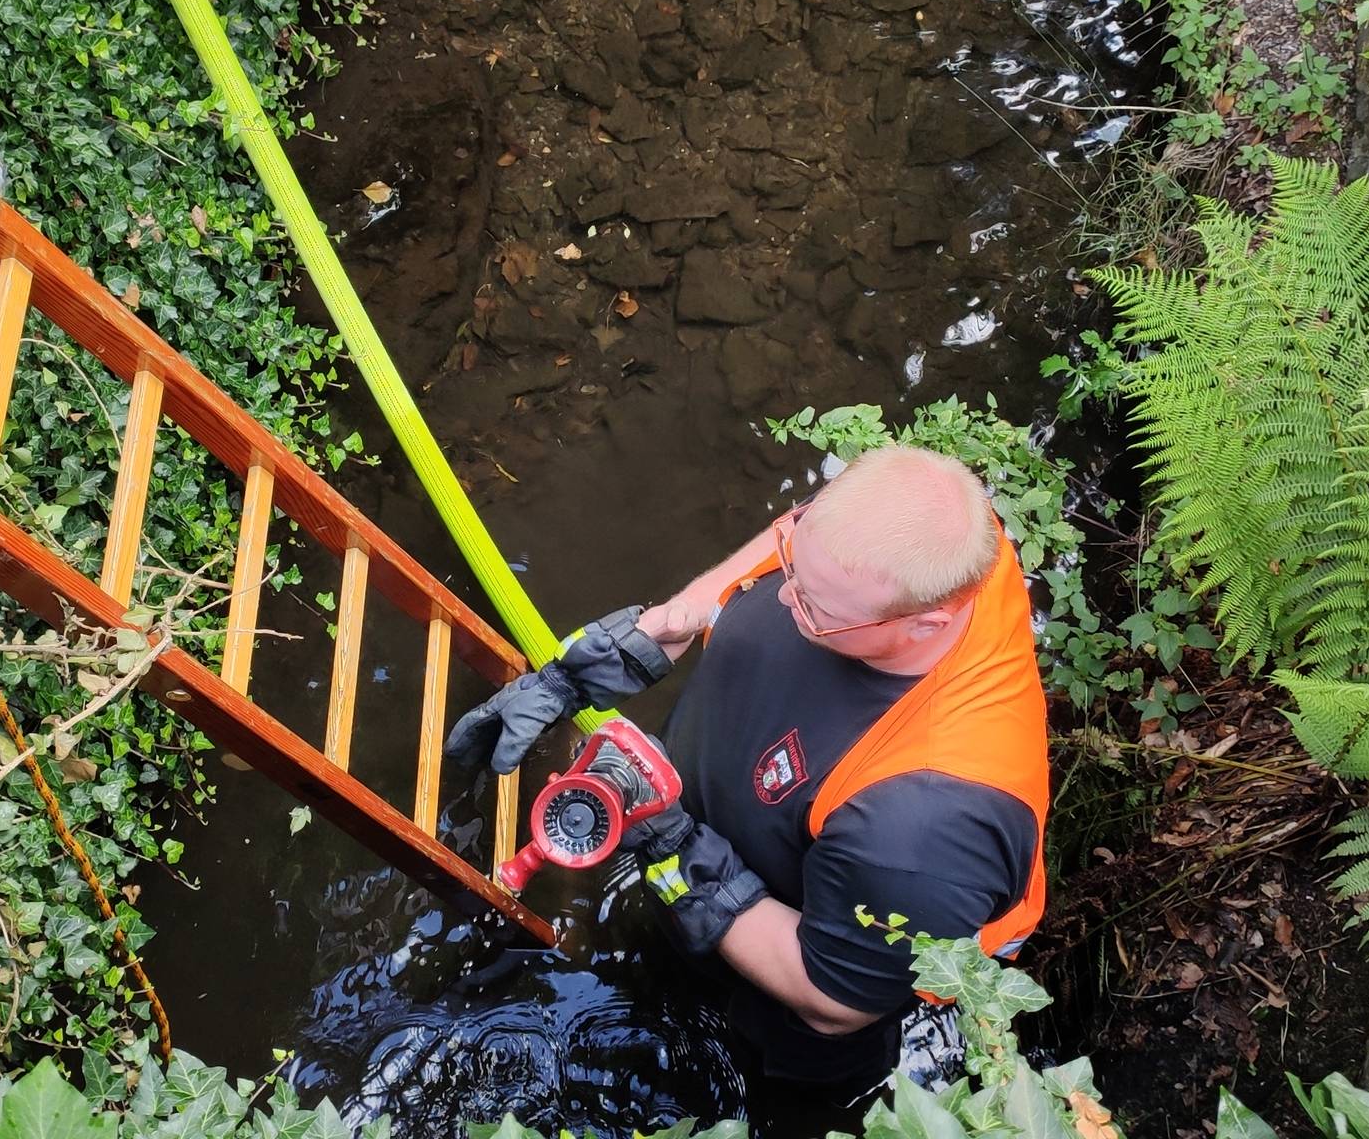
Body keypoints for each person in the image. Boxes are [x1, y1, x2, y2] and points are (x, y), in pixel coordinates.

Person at [443, 445, 1053, 1131]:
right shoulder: (939, 536)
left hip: (810, 982)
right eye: (795, 568)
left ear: (925, 624)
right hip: (749, 831)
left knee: (783, 1084)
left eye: (816, 608)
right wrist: (651, 634)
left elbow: (832, 998)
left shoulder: (925, 824)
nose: (785, 596)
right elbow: (787, 554)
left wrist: (675, 849)